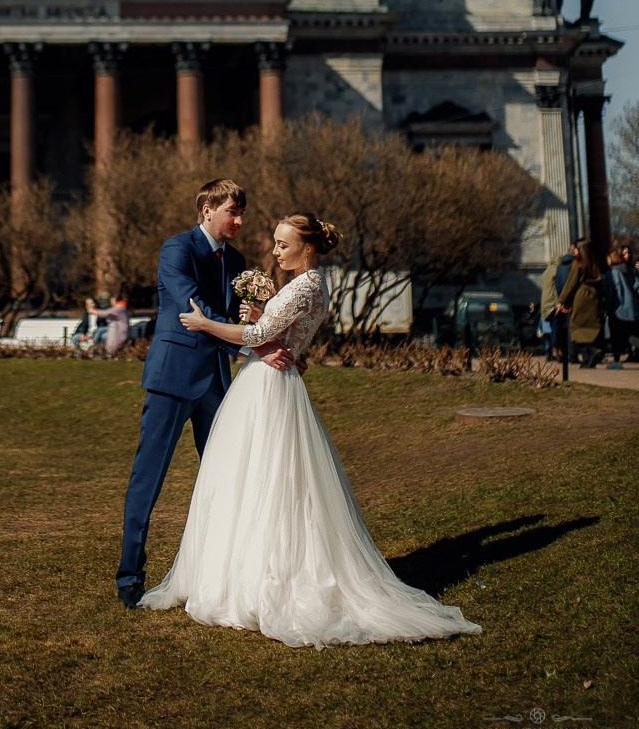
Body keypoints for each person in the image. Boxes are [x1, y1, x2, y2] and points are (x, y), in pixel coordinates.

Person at [139, 213, 482, 647]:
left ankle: (262, 579)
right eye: (276, 244)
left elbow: (260, 333)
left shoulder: (303, 285)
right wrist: (275, 336)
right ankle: (246, 571)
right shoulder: (314, 285)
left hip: (267, 388)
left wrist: (206, 324)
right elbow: (278, 335)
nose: (276, 252)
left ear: (307, 248)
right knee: (261, 479)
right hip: (277, 380)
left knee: (262, 478)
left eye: (284, 245)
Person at [117, 179, 293, 609]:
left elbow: (237, 313)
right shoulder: (176, 249)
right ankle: (129, 576)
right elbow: (192, 308)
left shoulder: (236, 259)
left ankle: (225, 575)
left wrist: (260, 319)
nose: (239, 220)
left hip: (217, 382)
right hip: (172, 379)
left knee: (229, 476)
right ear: (207, 209)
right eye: (233, 211)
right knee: (149, 477)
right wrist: (253, 343)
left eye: (242, 213)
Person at [555, 239, 604, 367]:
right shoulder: (594, 263)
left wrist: (561, 301)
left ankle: (592, 350)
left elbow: (570, 284)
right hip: (593, 296)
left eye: (576, 248)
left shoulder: (577, 263)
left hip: (581, 296)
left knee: (575, 326)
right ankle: (589, 359)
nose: (575, 251)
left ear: (581, 250)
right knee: (590, 326)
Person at [602, 245, 638, 366]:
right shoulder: (626, 270)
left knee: (617, 336)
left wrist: (606, 306)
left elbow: (610, 292)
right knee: (628, 335)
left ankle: (617, 361)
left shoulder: (612, 273)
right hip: (629, 307)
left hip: (617, 309)